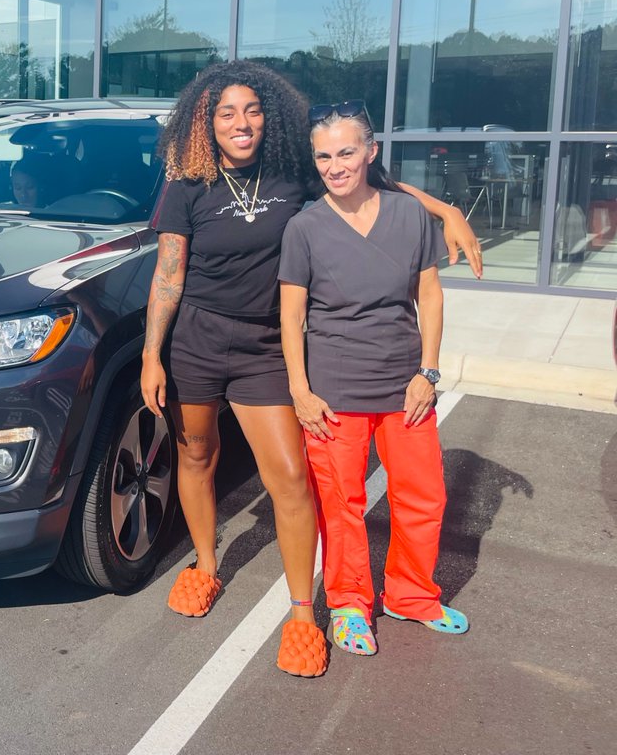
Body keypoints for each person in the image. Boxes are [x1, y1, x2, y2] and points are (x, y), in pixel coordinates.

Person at [141, 63, 481, 678]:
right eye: (225, 113)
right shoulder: (186, 184)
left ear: (268, 114)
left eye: (251, 110)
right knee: (196, 456)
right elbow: (170, 273)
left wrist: (443, 208)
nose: (240, 123)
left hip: (265, 346)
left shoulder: (293, 173)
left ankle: (303, 611)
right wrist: (150, 353)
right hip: (195, 342)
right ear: (205, 121)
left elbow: (369, 180)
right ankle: (207, 567)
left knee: (293, 479)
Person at [278, 101, 469, 657]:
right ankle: (348, 605)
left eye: (345, 152)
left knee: (423, 494)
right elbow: (292, 315)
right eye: (324, 156)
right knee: (341, 504)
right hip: (333, 389)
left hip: (404, 382)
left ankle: (411, 595)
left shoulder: (408, 215)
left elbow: (429, 294)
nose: (335, 166)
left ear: (370, 152)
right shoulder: (304, 227)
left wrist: (428, 372)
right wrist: (300, 390)